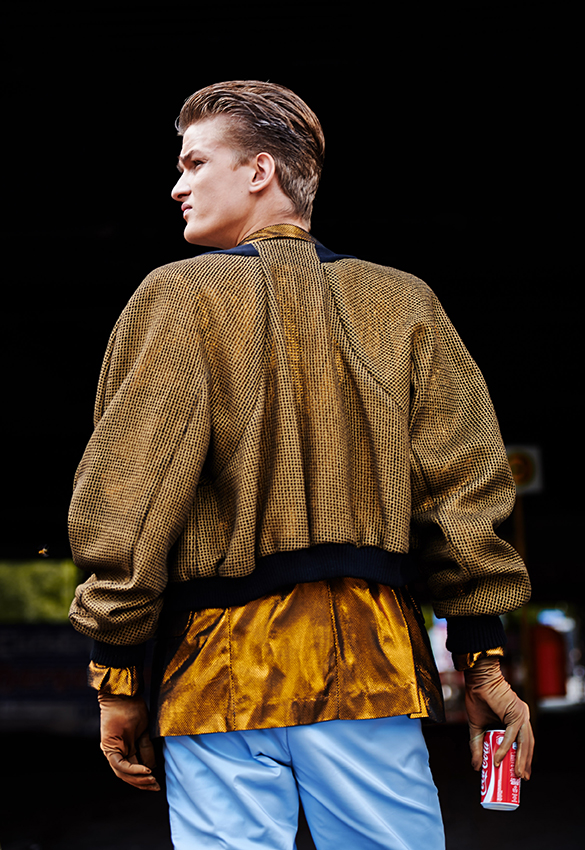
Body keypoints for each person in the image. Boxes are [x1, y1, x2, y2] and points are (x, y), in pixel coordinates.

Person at [68, 80, 534, 850]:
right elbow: (461, 495)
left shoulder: (177, 298)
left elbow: (129, 503)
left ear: (260, 171)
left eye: (194, 163)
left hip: (214, 673)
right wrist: (481, 659)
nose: (176, 186)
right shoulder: (404, 304)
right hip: (371, 667)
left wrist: (116, 674)